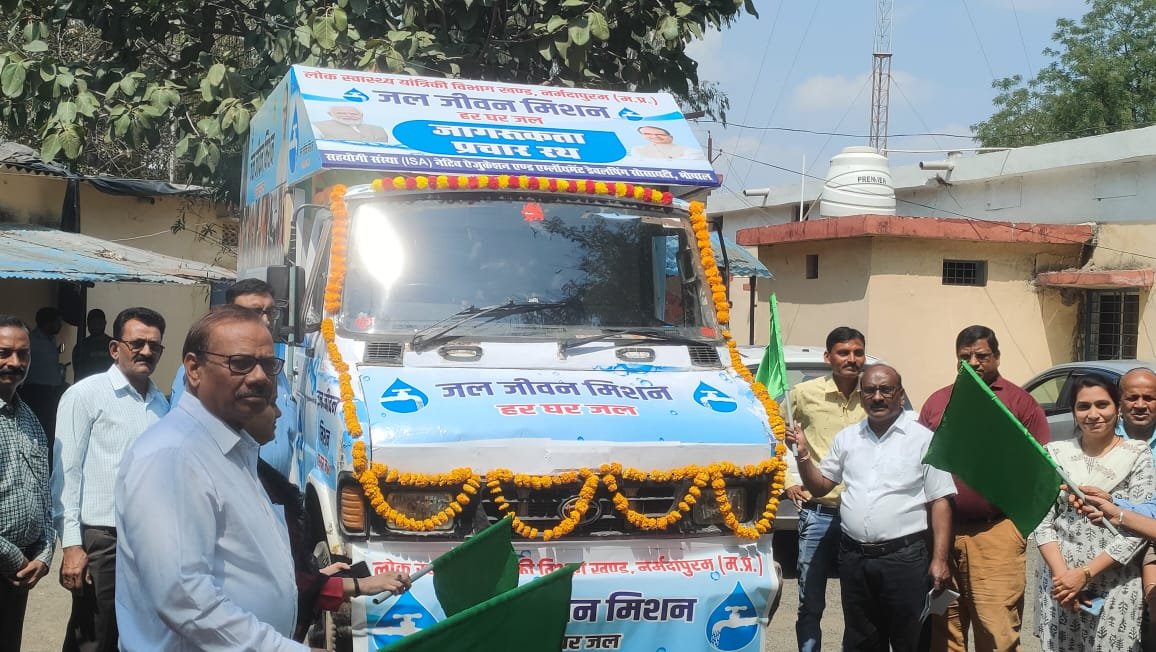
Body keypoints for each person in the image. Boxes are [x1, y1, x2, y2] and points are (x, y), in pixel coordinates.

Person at [114, 305, 321, 651]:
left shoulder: (231, 446)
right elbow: (184, 597)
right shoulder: (174, 455)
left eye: (268, 364)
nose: (259, 377)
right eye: (240, 363)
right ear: (194, 369)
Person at [787, 364, 956, 651]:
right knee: (861, 640)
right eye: (869, 390)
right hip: (855, 559)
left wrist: (940, 560)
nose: (877, 397)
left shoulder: (923, 439)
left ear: (900, 394)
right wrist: (803, 456)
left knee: (910, 641)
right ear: (861, 395)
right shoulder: (848, 438)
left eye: (885, 390)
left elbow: (940, 500)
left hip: (904, 559)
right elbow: (821, 486)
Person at [919, 325, 1050, 652]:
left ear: (997, 357)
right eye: (965, 357)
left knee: (996, 631)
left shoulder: (1019, 403)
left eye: (982, 356)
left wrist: (1017, 529)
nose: (974, 363)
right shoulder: (938, 402)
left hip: (996, 533)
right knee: (945, 631)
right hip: (942, 535)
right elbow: (920, 462)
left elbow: (1040, 467)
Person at [247, 400, 411, 641]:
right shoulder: (235, 481)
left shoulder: (251, 466)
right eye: (269, 402)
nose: (280, 412)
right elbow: (280, 588)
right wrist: (360, 584)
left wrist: (320, 574)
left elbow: (293, 584)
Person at [56, 307, 169, 652]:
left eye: (154, 346)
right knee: (94, 636)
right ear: (115, 348)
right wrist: (71, 545)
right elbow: (66, 475)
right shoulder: (85, 395)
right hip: (103, 540)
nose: (146, 351)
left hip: (148, 542)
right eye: (137, 343)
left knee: (136, 635)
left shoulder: (161, 404)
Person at [1031, 374, 1154, 652]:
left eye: (1102, 404)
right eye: (1084, 406)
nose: (1093, 414)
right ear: (1074, 411)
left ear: (1117, 408)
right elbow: (1042, 521)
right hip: (1061, 584)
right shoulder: (1055, 454)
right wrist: (1065, 578)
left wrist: (1085, 574)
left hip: (1115, 582)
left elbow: (1141, 525)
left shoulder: (1137, 454)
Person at [785, 326, 867, 652]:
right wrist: (788, 479)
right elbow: (774, 434)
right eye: (843, 352)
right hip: (818, 515)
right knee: (810, 602)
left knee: (858, 602)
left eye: (858, 352)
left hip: (861, 516)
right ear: (828, 357)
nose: (851, 359)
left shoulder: (874, 396)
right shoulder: (804, 394)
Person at [172, 278, 294, 478]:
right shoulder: (203, 371)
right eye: (254, 312)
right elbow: (189, 432)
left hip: (270, 488)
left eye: (270, 312)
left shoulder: (277, 371)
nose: (265, 321)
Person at [0, 315, 54, 650]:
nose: (15, 362)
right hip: (13, 564)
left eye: (24, 354)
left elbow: (43, 492)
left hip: (18, 576)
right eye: (4, 352)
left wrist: (45, 552)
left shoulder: (30, 419)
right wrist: (13, 558)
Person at [22, 306, 65, 452]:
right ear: (47, 323)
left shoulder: (51, 339)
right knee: (39, 428)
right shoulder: (32, 341)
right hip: (36, 391)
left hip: (52, 392)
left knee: (51, 428)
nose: (60, 326)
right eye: (57, 322)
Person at [71, 309, 112, 381]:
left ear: (104, 323)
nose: (96, 326)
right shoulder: (81, 346)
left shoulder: (113, 344)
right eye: (93, 323)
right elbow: (78, 373)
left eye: (98, 323)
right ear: (88, 324)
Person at [313, 105, 389, 142]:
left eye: (354, 114)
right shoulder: (317, 126)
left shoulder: (378, 129)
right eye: (341, 113)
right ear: (330, 114)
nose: (348, 116)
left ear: (361, 115)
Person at [630, 125, 704, 160]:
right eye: (648, 134)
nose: (655, 136)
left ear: (670, 137)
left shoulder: (687, 149)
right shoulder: (639, 149)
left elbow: (695, 157)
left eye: (660, 134)